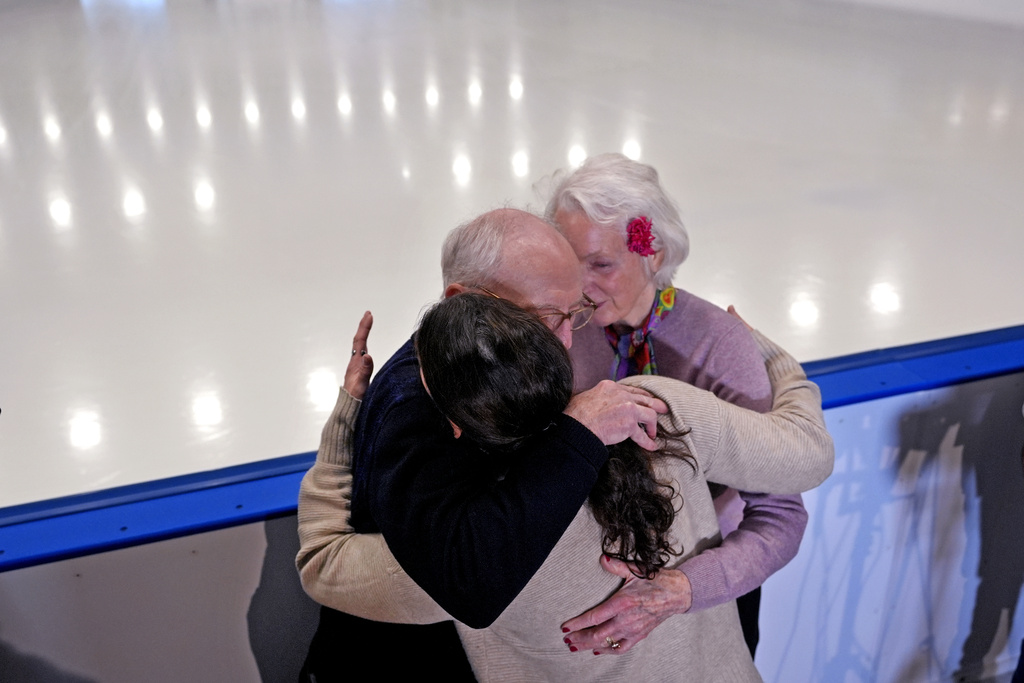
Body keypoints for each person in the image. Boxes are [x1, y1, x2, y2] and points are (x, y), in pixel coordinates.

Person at [297, 293, 834, 681]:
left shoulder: (466, 553)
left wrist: (351, 410)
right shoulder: (657, 407)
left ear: (455, 426)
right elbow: (807, 453)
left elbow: (322, 559)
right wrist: (759, 348)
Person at [299, 208, 668, 681]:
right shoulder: (417, 404)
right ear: (463, 299)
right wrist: (579, 434)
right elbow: (470, 582)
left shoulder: (483, 367)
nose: (564, 342)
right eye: (543, 317)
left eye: (574, 314)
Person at [542, 153, 808, 655]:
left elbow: (781, 516)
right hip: (591, 588)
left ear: (653, 252)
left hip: (705, 594)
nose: (579, 288)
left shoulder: (718, 345)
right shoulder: (559, 328)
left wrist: (679, 591)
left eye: (600, 264)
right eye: (567, 262)